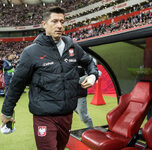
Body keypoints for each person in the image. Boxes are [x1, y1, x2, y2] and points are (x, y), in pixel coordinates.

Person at [1, 6, 98, 150]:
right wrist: (6, 112)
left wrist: (92, 75)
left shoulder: (72, 47)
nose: (59, 25)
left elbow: (89, 62)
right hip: (44, 117)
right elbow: (17, 84)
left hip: (67, 115)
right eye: (54, 21)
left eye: (62, 21)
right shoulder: (31, 52)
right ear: (44, 24)